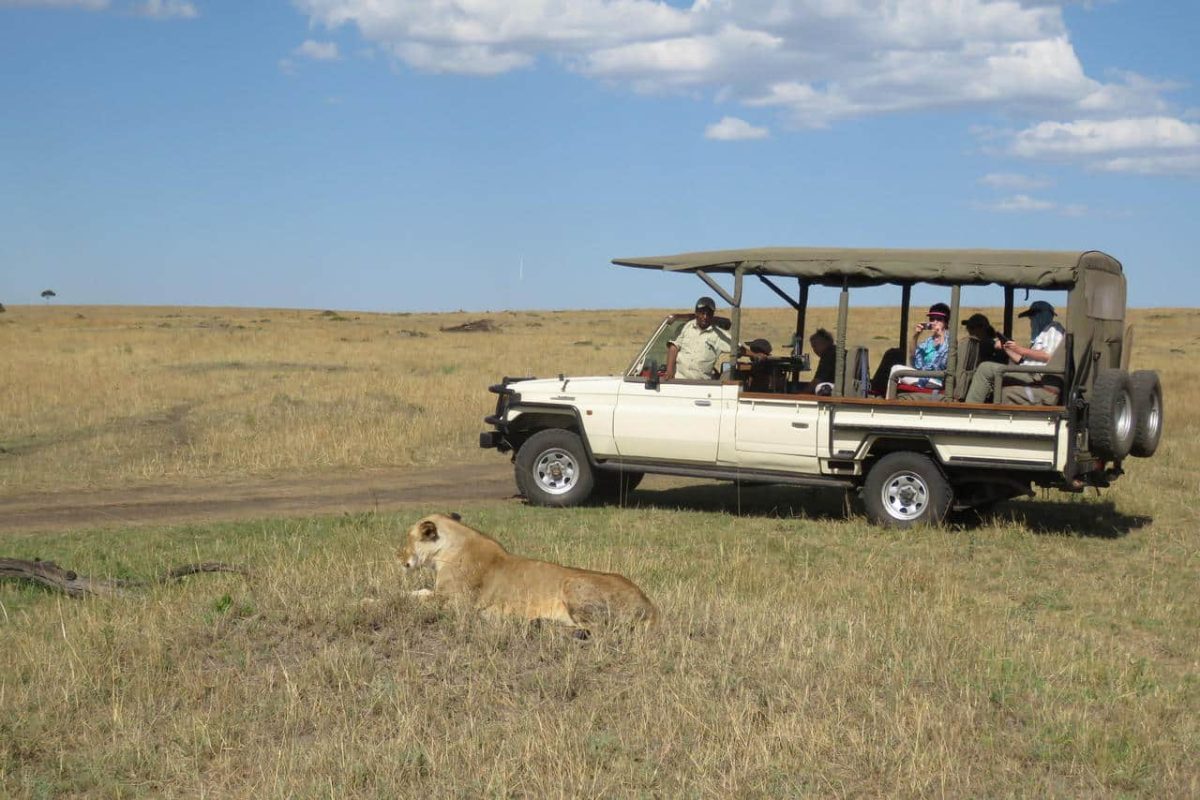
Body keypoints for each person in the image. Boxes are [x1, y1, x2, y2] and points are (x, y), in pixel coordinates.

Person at [964, 300, 1065, 404]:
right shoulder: (1040, 336)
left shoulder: (1053, 328)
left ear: (1043, 315)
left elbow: (1049, 356)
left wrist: (1018, 349)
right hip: (1027, 372)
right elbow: (1022, 361)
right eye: (1030, 317)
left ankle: (970, 410)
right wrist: (1007, 348)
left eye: (1033, 316)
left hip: (1036, 375)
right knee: (992, 375)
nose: (1031, 320)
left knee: (985, 368)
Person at [665, 296, 731, 380]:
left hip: (701, 385)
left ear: (712, 315)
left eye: (708, 314)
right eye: (702, 313)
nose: (705, 317)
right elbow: (673, 348)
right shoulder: (686, 327)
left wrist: (752, 353)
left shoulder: (718, 334)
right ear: (696, 313)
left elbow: (737, 348)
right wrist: (669, 372)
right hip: (679, 381)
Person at [889, 302, 950, 389]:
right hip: (922, 376)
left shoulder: (949, 341)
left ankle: (888, 401)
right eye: (932, 319)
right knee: (896, 370)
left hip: (937, 380)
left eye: (939, 319)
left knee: (896, 370)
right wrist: (916, 335)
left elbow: (941, 363)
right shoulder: (928, 342)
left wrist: (941, 336)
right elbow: (913, 359)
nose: (934, 322)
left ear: (946, 323)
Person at [800, 328, 836, 394]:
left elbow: (818, 381)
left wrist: (802, 394)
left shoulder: (828, 355)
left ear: (824, 343)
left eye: (815, 346)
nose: (814, 350)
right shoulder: (833, 352)